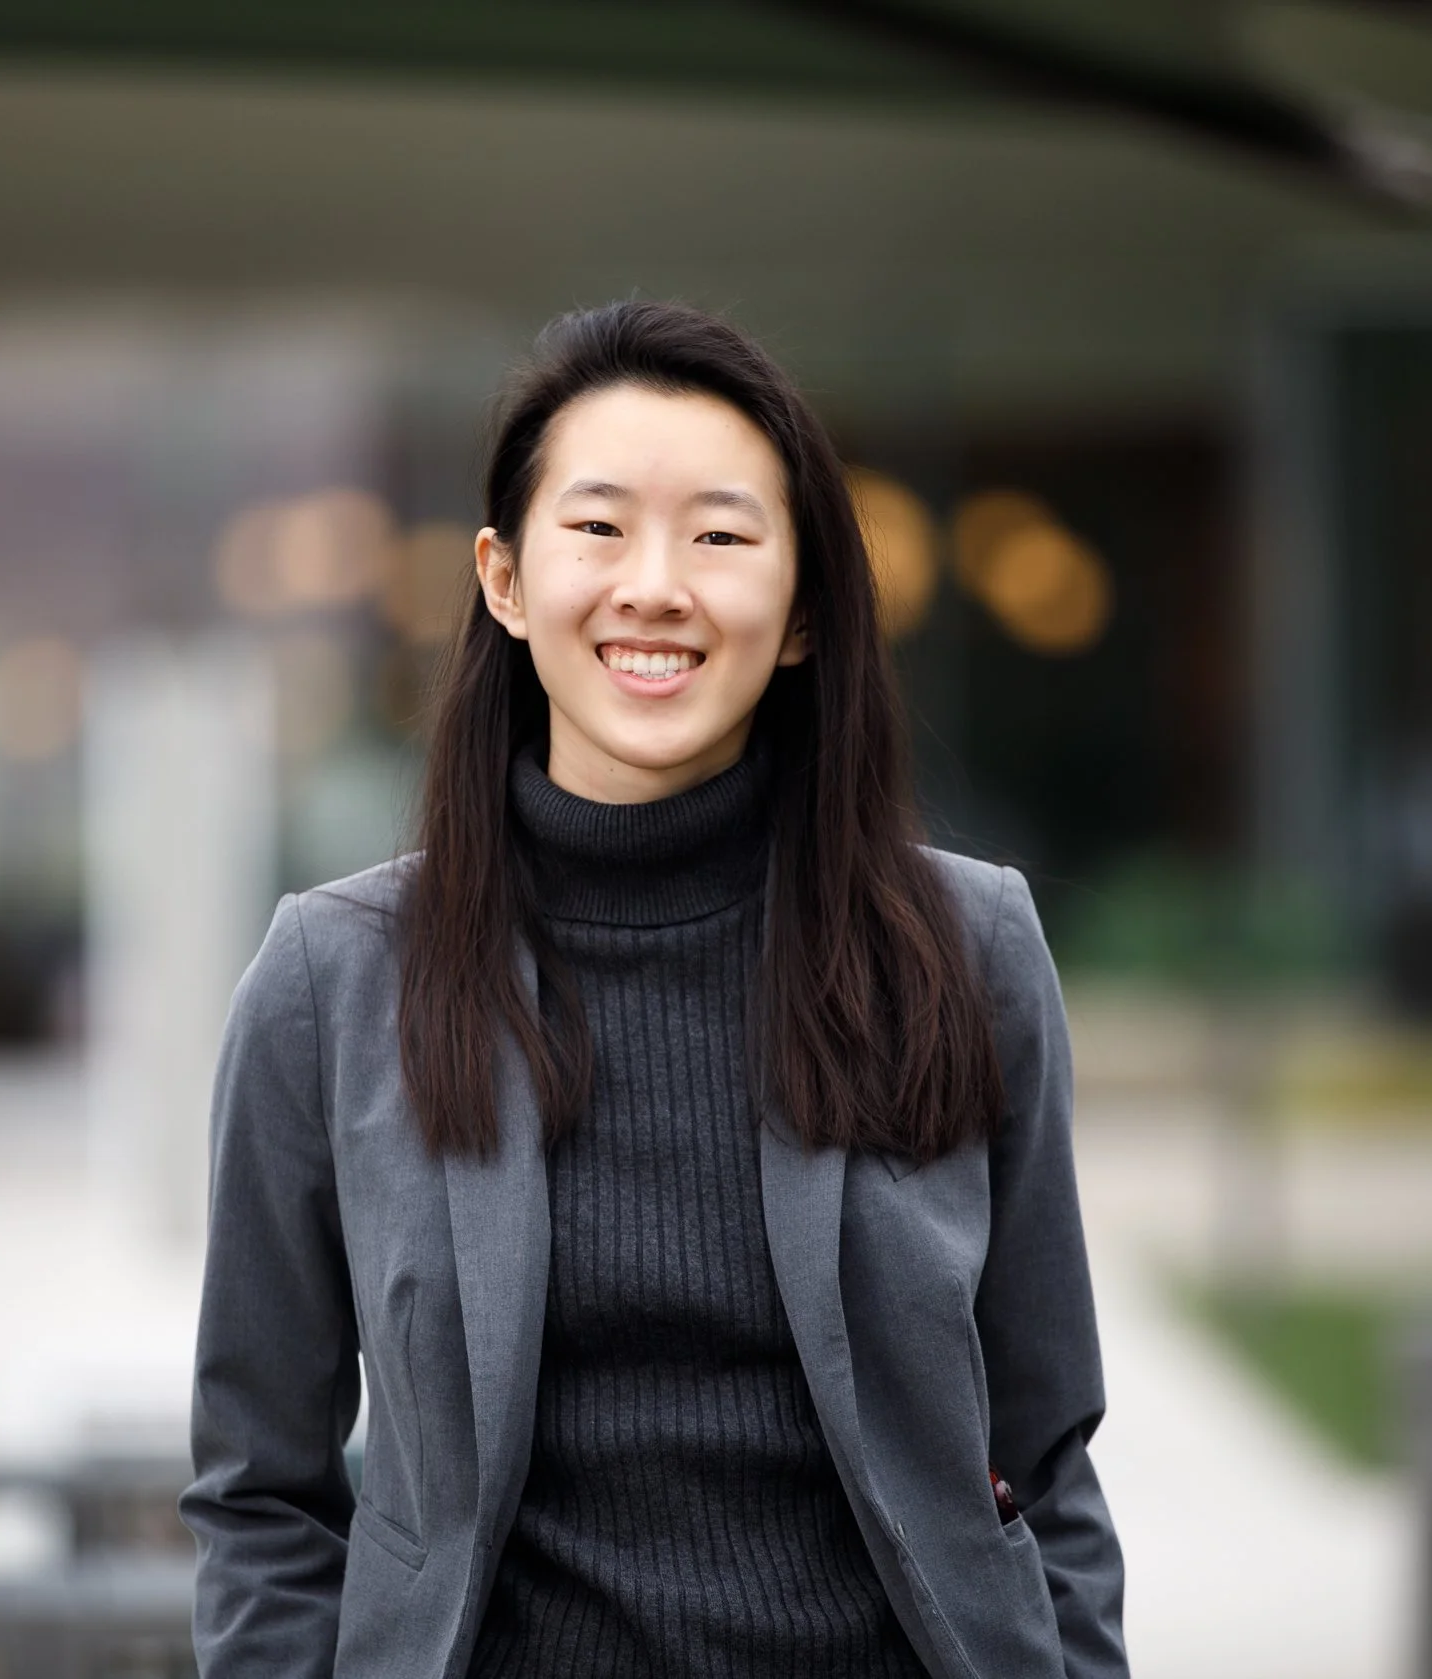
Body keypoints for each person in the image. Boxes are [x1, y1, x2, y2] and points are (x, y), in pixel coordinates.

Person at [182, 300, 1125, 1679]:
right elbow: (257, 1489)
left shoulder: (964, 952)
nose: (656, 586)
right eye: (601, 526)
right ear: (504, 580)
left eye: (724, 536)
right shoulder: (333, 982)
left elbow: (1048, 1460)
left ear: (801, 609)